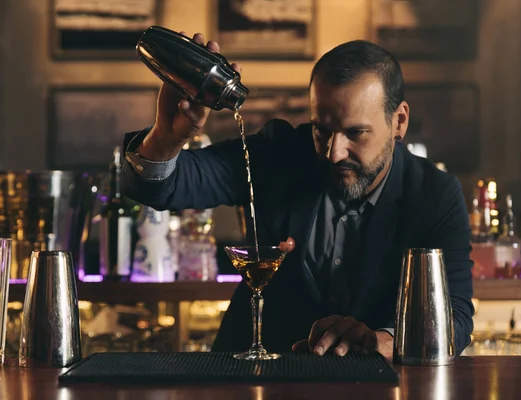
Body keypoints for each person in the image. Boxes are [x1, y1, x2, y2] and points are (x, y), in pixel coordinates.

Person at [121, 32, 474, 359]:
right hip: (257, 378)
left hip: (376, 387)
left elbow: (455, 319)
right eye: (322, 130)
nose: (334, 153)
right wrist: (166, 138)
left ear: (399, 122)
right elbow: (161, 187)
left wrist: (383, 338)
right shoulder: (280, 153)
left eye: (356, 133)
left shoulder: (434, 195)